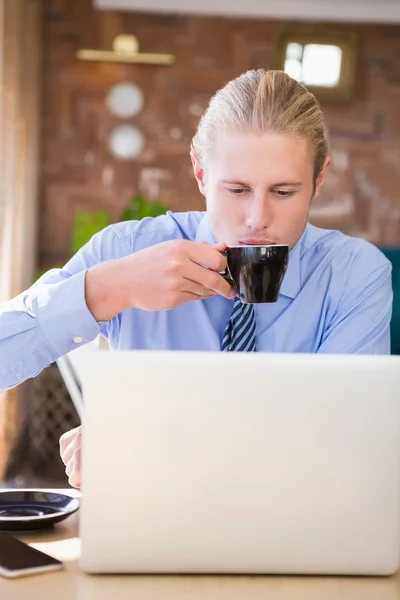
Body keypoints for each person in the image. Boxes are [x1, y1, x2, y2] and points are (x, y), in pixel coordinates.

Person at [0, 69, 393, 488]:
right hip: (146, 525)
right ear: (200, 173)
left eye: (283, 192)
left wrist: (142, 436)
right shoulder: (126, 250)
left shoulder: (354, 276)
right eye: (237, 189)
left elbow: (345, 443)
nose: (257, 218)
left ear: (319, 179)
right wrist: (109, 288)